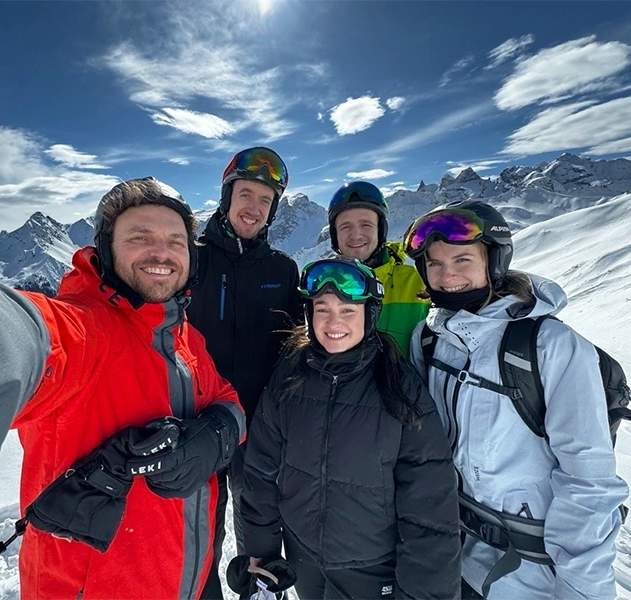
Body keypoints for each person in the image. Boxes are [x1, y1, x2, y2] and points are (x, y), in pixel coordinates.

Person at [0, 177, 246, 600]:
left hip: (184, 583)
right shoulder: (86, 330)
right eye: (140, 237)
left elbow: (226, 398)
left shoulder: (183, 338)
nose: (161, 252)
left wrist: (216, 433)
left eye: (176, 241)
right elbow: (15, 340)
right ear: (105, 250)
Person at [404, 200, 629, 599]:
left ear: (494, 261)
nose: (447, 275)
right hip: (449, 559)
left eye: (461, 259)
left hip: (530, 576)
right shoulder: (429, 339)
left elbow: (588, 483)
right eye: (434, 264)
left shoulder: (550, 346)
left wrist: (584, 591)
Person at [239, 257, 461, 599]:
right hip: (304, 558)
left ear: (369, 316)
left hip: (372, 566)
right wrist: (263, 548)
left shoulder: (399, 386)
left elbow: (429, 503)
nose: (333, 322)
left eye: (347, 310)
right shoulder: (291, 377)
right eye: (322, 309)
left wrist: (424, 592)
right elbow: (261, 468)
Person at [187, 147, 302, 597]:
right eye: (246, 194)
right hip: (199, 424)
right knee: (201, 531)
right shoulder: (193, 262)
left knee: (260, 529)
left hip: (259, 426)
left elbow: (293, 347)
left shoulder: (281, 269)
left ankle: (258, 590)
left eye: (265, 201)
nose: (253, 208)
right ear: (226, 197)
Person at [327, 180, 428, 356]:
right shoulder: (322, 285)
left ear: (380, 230)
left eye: (366, 225)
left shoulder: (418, 282)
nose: (356, 234)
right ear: (334, 235)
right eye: (345, 227)